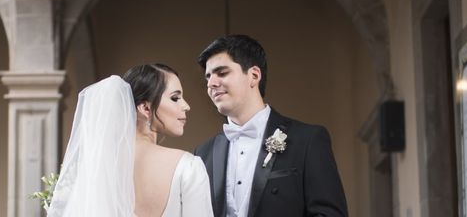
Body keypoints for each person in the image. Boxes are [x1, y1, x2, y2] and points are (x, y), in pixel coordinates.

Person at [194, 35, 348, 217]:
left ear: (254, 75)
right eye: (208, 77)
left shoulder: (307, 140)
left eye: (222, 73)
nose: (211, 83)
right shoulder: (202, 154)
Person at [48, 63, 214, 217]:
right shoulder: (189, 167)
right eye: (175, 98)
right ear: (145, 108)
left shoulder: (98, 169)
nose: (186, 106)